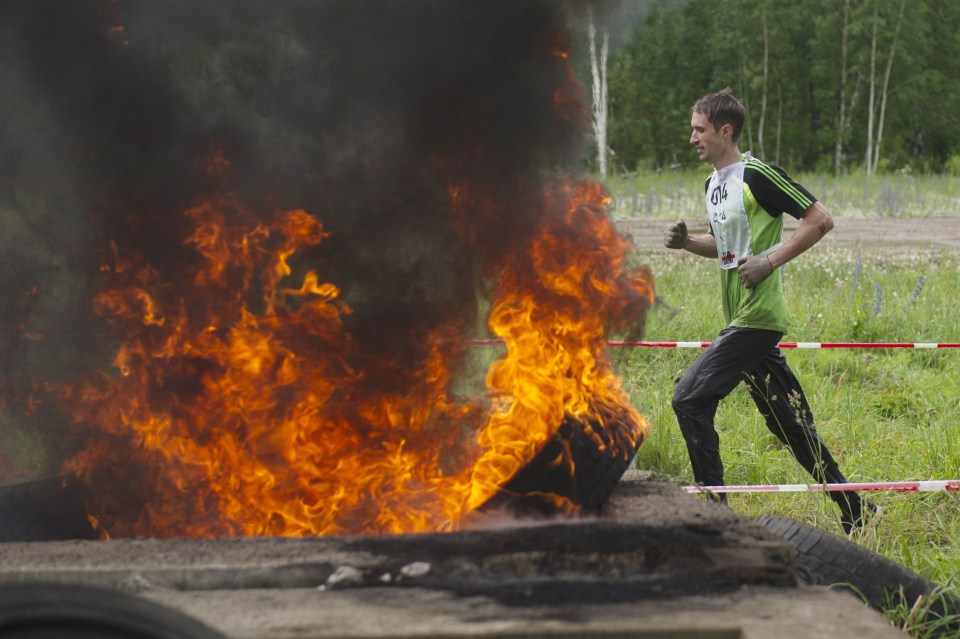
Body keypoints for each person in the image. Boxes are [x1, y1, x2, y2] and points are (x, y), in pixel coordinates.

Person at [664, 88, 877, 535]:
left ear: (726, 131)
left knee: (689, 400)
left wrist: (769, 261)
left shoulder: (758, 174)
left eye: (699, 130)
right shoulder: (713, 184)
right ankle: (858, 510)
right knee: (792, 425)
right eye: (691, 130)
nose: (692, 138)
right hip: (738, 315)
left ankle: (713, 518)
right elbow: (726, 250)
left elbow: (820, 219)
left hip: (757, 318)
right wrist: (688, 243)